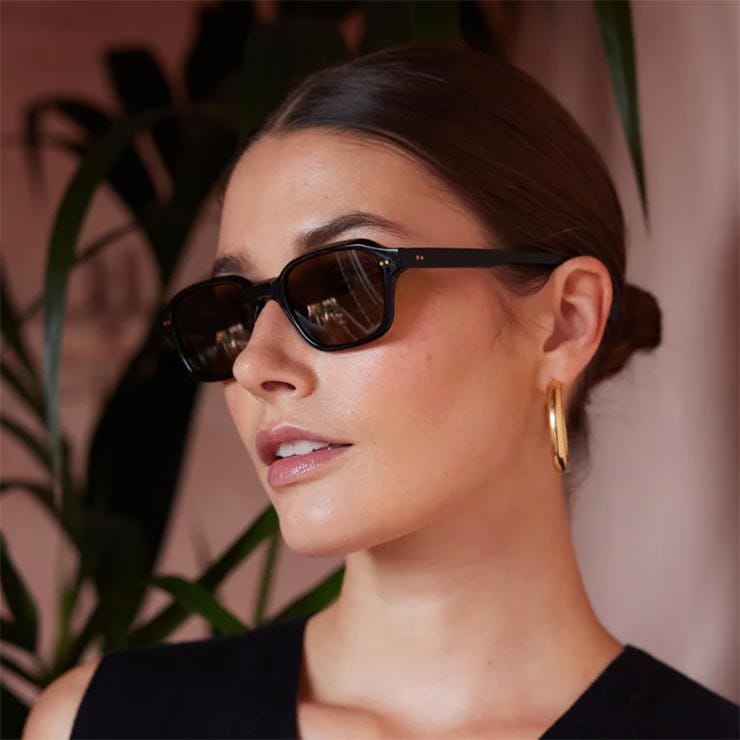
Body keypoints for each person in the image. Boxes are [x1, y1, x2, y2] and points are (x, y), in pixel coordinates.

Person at [24, 44, 738, 740]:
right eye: (234, 311)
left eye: (342, 285)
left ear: (565, 323)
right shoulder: (99, 724)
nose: (253, 366)